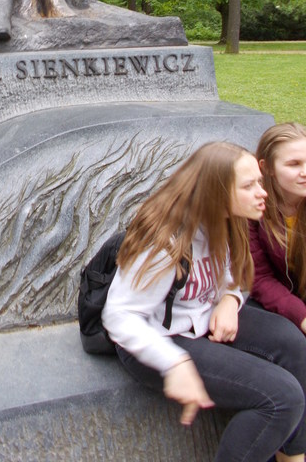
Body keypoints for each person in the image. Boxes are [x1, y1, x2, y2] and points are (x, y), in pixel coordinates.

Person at [102, 141, 306, 462]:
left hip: (204, 316)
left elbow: (232, 273)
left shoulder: (228, 219)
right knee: (282, 398)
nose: (262, 193)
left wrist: (229, 299)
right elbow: (119, 315)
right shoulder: (164, 240)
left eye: (260, 182)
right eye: (249, 186)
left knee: (294, 345)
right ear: (216, 192)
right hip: (160, 340)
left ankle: (293, 456)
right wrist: (175, 363)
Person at [249, 122, 306, 333]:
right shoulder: (252, 208)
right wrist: (302, 317)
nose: (305, 172)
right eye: (294, 164)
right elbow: (260, 278)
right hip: (283, 303)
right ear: (267, 168)